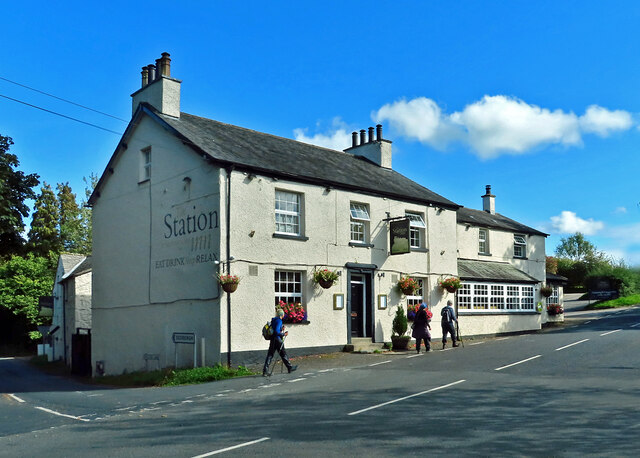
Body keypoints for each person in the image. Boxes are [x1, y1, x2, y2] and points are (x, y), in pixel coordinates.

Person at [263, 308, 298, 376]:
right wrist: (283, 334)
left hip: (273, 340)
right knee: (283, 354)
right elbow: (276, 331)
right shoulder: (279, 321)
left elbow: (274, 330)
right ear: (281, 315)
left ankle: (265, 371)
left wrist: (281, 329)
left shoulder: (274, 320)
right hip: (278, 340)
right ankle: (289, 367)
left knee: (270, 355)